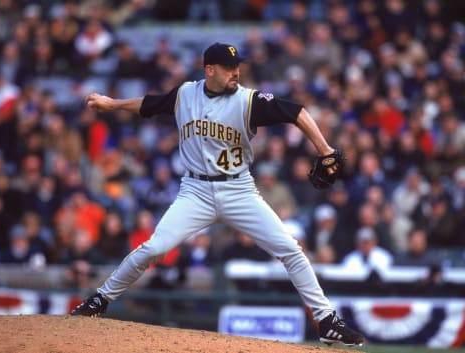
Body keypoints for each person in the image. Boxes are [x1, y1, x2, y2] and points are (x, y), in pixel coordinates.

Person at [71, 42, 364, 347]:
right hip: (195, 191)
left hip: (239, 190)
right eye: (228, 67)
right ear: (210, 70)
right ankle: (100, 300)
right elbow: (149, 104)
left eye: (237, 66)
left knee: (290, 249)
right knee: (154, 248)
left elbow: (297, 112)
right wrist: (113, 104)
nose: (236, 72)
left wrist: (325, 149)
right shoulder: (185, 94)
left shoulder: (248, 100)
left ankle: (327, 320)